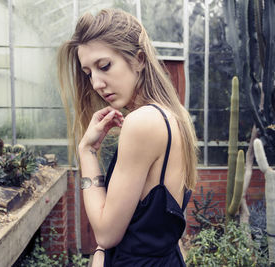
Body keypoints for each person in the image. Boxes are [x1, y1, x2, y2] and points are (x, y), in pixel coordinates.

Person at [57, 8, 198, 267]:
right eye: (89, 73)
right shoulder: (171, 116)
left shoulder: (142, 121)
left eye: (104, 66)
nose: (97, 83)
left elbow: (106, 233)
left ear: (139, 59)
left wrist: (87, 151)